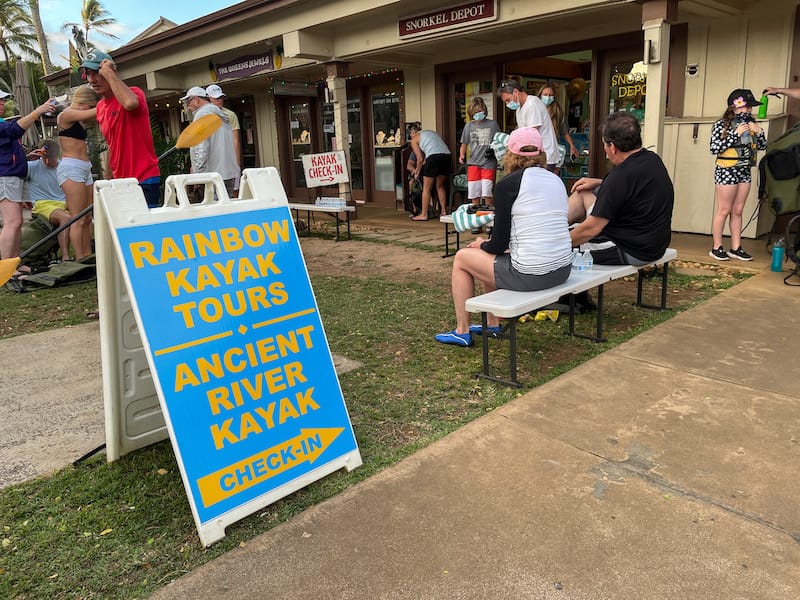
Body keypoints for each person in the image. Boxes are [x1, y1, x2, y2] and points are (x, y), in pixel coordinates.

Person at [435, 127, 573, 347]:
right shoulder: (556, 181)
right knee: (489, 257)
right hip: (562, 269)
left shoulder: (507, 185)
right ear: (542, 153)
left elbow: (498, 244)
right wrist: (489, 246)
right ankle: (492, 323)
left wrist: (483, 244)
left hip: (532, 273)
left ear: (509, 154)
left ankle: (462, 330)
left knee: (463, 258)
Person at [568, 111, 674, 266]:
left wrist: (556, 244)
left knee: (563, 248)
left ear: (612, 147)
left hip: (630, 249)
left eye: (604, 143)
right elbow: (633, 187)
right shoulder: (652, 159)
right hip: (654, 243)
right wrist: (600, 182)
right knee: (583, 192)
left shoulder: (620, 176)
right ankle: (553, 225)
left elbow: (590, 229)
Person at [81, 49, 161, 208]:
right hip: (120, 181)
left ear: (111, 71)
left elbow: (130, 104)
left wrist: (109, 74)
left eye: (97, 72)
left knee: (142, 230)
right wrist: (108, 177)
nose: (92, 80)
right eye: (88, 74)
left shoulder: (134, 93)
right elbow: (113, 142)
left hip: (144, 177)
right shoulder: (101, 107)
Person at [0, 91, 57, 273]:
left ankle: (15, 263)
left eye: (2, 100)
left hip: (14, 175)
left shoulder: (2, 123)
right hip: (5, 177)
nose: (1, 103)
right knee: (12, 222)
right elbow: (14, 130)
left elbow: (6, 151)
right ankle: (6, 268)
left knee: (16, 222)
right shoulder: (4, 126)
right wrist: (38, 111)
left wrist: (24, 158)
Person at [707, 89, 767, 261]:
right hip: (727, 169)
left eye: (750, 108)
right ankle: (717, 247)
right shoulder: (721, 124)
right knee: (724, 209)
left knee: (738, 210)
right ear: (734, 107)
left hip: (744, 169)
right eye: (746, 107)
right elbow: (714, 148)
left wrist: (759, 131)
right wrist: (735, 134)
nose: (749, 111)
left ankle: (736, 247)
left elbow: (762, 146)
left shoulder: (752, 124)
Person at [56, 84, 98, 260]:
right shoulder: (65, 115)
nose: (91, 109)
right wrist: (108, 103)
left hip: (85, 168)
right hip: (71, 168)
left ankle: (87, 255)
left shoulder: (78, 118)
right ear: (83, 102)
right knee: (77, 217)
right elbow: (91, 114)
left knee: (87, 217)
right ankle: (80, 257)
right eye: (90, 105)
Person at [180, 86, 239, 197]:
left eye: (189, 101)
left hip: (213, 175)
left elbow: (201, 147)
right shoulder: (222, 115)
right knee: (227, 209)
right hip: (229, 173)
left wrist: (197, 175)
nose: (188, 106)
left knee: (214, 210)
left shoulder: (202, 115)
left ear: (197, 99)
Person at [24, 140, 72, 260]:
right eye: (45, 158)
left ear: (57, 155)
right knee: (66, 218)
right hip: (43, 203)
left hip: (64, 204)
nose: (47, 161)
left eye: (51, 158)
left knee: (84, 218)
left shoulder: (64, 168)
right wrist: (25, 158)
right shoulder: (31, 167)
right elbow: (7, 171)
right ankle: (66, 257)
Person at [496, 79, 559, 169]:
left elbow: (531, 135)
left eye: (508, 100)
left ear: (516, 92)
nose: (507, 104)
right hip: (534, 155)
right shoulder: (519, 109)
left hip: (545, 156)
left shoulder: (533, 104)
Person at [458, 96, 500, 208]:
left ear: (485, 110)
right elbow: (464, 143)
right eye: (475, 112)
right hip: (473, 162)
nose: (478, 113)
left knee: (487, 190)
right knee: (474, 192)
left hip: (489, 161)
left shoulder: (493, 124)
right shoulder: (469, 126)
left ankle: (489, 215)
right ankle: (476, 219)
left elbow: (500, 140)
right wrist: (461, 154)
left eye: (480, 111)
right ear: (471, 113)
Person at [409, 122, 452, 221]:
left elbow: (419, 159)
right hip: (446, 156)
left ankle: (424, 214)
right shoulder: (430, 133)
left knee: (426, 187)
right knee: (440, 185)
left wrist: (417, 172)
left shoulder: (414, 139)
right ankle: (443, 211)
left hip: (434, 157)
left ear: (413, 134)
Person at [205, 84, 241, 194]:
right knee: (213, 194)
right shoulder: (203, 115)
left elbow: (235, 139)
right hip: (212, 162)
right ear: (209, 98)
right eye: (216, 98)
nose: (220, 101)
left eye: (221, 98)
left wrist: (237, 163)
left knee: (230, 193)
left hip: (228, 160)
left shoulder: (230, 115)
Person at [538, 81, 578, 173]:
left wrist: (572, 145)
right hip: (538, 148)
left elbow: (564, 132)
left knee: (552, 175)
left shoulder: (558, 112)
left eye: (550, 95)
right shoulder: (535, 109)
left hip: (553, 149)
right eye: (545, 94)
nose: (547, 97)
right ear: (540, 95)